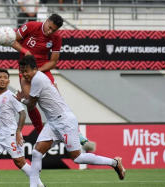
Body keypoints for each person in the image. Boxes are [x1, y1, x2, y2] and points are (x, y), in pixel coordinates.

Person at [14, 56, 126, 187]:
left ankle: (114, 163)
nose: (25, 74)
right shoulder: (36, 79)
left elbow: (32, 105)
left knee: (77, 158)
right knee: (36, 152)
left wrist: (21, 99)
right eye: (22, 71)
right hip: (53, 122)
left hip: (65, 120)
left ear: (35, 69)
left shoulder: (37, 79)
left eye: (27, 70)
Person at [11, 13, 89, 147]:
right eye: (49, 27)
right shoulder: (31, 26)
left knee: (57, 100)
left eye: (54, 30)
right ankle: (41, 133)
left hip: (42, 69)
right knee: (30, 103)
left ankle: (76, 132)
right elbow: (12, 40)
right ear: (46, 21)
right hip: (25, 70)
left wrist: (36, 73)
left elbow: (52, 63)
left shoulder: (56, 38)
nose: (50, 31)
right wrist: (25, 51)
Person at [0, 69, 46, 187]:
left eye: (5, 77)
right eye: (0, 77)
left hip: (11, 134)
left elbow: (22, 113)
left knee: (20, 163)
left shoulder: (11, 96)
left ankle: (40, 185)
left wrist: (18, 131)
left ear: (8, 81)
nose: (2, 79)